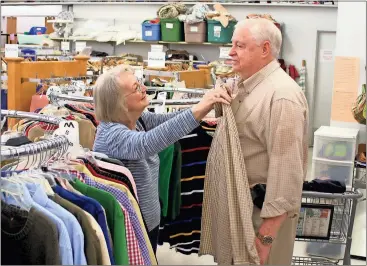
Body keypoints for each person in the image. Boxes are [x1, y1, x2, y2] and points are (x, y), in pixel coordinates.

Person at [92, 65, 232, 253]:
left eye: (140, 83)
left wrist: (204, 105)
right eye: (136, 88)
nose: (143, 88)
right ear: (119, 103)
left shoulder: (138, 120)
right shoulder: (111, 135)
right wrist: (201, 107)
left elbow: (168, 122)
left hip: (146, 220)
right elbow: (148, 143)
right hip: (128, 227)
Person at [228, 18, 309, 264]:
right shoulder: (248, 86)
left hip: (263, 218)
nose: (231, 52)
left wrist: (265, 237)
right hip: (245, 210)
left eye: (240, 46)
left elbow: (287, 173)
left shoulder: (282, 96)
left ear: (265, 49)